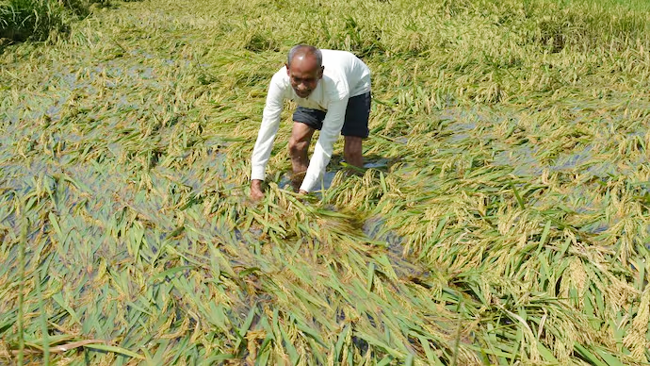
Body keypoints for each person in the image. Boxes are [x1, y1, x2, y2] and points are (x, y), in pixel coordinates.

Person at [249, 45, 372, 200]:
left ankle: (356, 195)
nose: (301, 86)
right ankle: (298, 184)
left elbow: (326, 142)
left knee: (352, 151)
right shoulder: (280, 82)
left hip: (355, 88)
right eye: (296, 79)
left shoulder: (338, 88)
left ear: (320, 73)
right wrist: (256, 181)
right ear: (288, 70)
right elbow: (267, 129)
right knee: (296, 144)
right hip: (316, 94)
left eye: (308, 80)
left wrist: (304, 193)